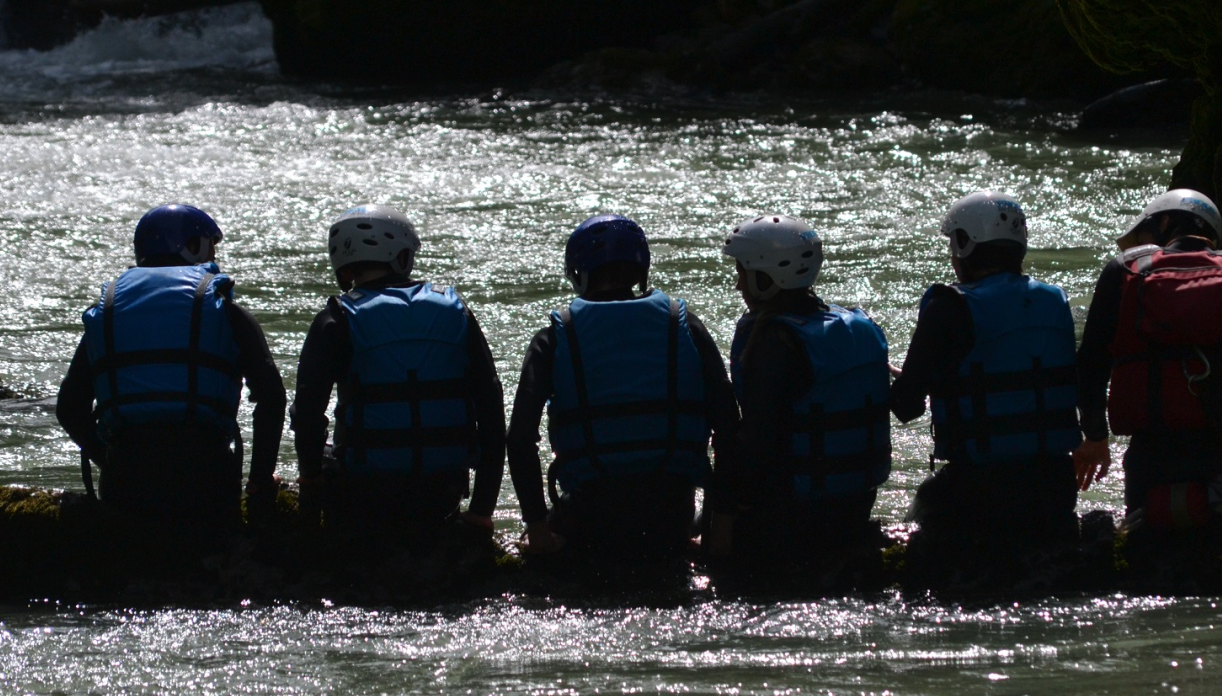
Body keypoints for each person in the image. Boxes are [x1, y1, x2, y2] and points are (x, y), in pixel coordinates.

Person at [1076, 189, 1222, 591]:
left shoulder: (1123, 272)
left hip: (1151, 456)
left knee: (1136, 571)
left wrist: (1095, 437)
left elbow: (1090, 366)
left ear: (1164, 225)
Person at [889, 192, 1107, 595]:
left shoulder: (948, 305)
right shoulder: (1053, 299)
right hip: (1053, 487)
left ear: (964, 246)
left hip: (978, 489)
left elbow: (905, 406)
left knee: (922, 520)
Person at [506, 214, 738, 569]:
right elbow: (729, 428)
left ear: (578, 272)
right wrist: (719, 526)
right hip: (672, 514)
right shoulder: (685, 326)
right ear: (640, 270)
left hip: (588, 517)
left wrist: (536, 528)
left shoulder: (554, 338)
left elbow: (520, 439)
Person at [57, 204, 286, 540]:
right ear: (192, 246)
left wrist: (108, 462)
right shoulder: (224, 308)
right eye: (211, 245)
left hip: (126, 481)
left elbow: (69, 409)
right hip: (206, 480)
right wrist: (260, 482)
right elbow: (272, 398)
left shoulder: (106, 313)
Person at [288, 205, 505, 540]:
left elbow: (307, 414)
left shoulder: (335, 319)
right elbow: (491, 405)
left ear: (344, 267)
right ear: (402, 256)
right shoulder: (455, 309)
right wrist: (481, 511)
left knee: (328, 453)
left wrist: (309, 482)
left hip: (364, 494)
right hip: (442, 491)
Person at [717, 214, 892, 593]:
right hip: (854, 508)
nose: (737, 283)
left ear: (766, 278)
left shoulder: (773, 341)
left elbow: (756, 446)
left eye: (742, 273)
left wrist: (721, 519)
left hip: (790, 519)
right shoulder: (857, 326)